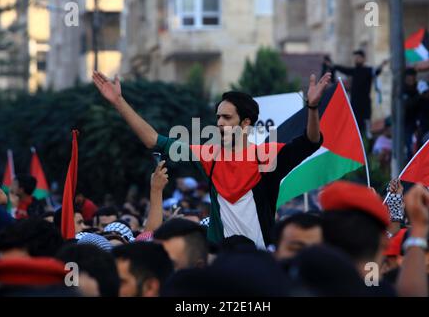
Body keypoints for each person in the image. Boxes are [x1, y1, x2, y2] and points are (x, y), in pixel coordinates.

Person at [93, 71, 332, 249]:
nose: (219, 123)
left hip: (261, 257)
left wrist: (312, 107)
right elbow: (153, 140)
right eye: (218, 117)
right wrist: (118, 102)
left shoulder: (268, 156)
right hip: (220, 258)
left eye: (227, 118)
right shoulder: (210, 157)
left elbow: (311, 141)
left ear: (245, 123)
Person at [325, 50, 388, 134]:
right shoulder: (354, 71)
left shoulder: (367, 70)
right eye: (355, 58)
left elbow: (376, 71)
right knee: (355, 126)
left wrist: (382, 65)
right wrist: (333, 66)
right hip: (354, 104)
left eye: (358, 58)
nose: (356, 59)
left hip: (365, 104)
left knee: (366, 128)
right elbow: (343, 69)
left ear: (364, 59)